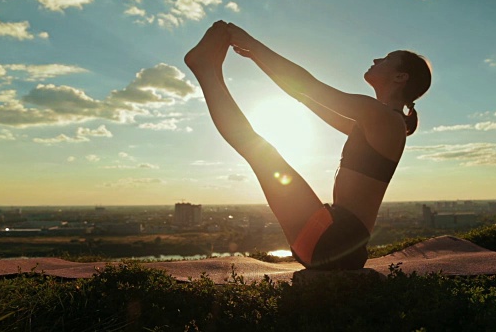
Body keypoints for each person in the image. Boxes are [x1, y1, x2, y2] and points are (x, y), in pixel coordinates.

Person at [185, 21, 431, 270]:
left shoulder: (384, 118)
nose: (377, 59)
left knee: (258, 150)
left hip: (334, 238)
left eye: (387, 59)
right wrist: (256, 58)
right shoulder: (378, 122)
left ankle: (207, 69)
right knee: (256, 149)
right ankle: (210, 70)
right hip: (336, 241)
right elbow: (302, 95)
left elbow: (309, 85)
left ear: (400, 77)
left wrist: (254, 45)